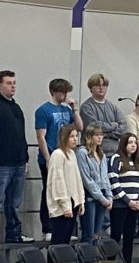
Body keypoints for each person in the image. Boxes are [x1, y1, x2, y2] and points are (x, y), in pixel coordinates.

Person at [0, 70, 32, 244]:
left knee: (14, 202)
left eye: (14, 83)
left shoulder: (16, 108)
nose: (13, 86)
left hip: (18, 163)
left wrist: (25, 158)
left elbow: (21, 135)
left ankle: (14, 233)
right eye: (9, 83)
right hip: (1, 163)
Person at [34, 79, 82, 239]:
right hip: (52, 154)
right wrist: (47, 158)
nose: (65, 95)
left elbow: (80, 127)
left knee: (68, 188)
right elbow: (41, 136)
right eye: (62, 92)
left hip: (65, 155)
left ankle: (67, 224)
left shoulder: (67, 110)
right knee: (50, 190)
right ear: (54, 91)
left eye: (66, 92)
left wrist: (74, 109)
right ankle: (47, 227)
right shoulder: (43, 110)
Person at [108, 132, 139, 263]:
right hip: (120, 205)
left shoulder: (137, 162)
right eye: (130, 142)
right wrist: (128, 201)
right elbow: (114, 182)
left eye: (135, 143)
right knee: (116, 236)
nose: (133, 145)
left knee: (129, 237)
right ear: (123, 144)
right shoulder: (116, 159)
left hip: (134, 206)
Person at [45, 124, 85, 245]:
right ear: (64, 138)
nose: (75, 139)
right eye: (71, 136)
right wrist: (65, 204)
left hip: (73, 202)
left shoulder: (72, 154)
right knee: (58, 242)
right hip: (61, 205)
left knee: (66, 241)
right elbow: (58, 181)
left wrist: (80, 201)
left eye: (76, 136)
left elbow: (77, 179)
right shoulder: (58, 154)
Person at [76, 125, 112, 244]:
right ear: (88, 137)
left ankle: (96, 260)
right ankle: (86, 261)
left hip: (102, 195)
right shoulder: (82, 152)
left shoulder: (101, 154)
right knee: (89, 233)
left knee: (97, 234)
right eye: (96, 135)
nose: (100, 137)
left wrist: (109, 196)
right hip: (90, 195)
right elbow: (87, 179)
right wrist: (101, 198)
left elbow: (105, 177)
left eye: (101, 135)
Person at [79, 73, 126, 155]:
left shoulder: (112, 107)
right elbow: (93, 126)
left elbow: (123, 126)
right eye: (97, 85)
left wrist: (107, 134)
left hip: (114, 153)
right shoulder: (86, 107)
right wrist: (114, 125)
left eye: (104, 85)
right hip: (94, 153)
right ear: (91, 89)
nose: (101, 88)